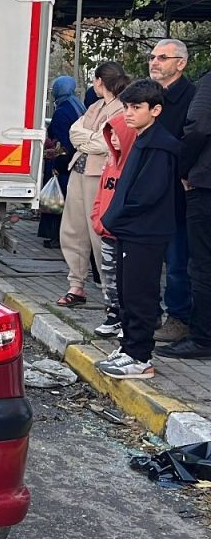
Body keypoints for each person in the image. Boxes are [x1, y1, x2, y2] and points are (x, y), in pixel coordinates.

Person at [96, 79, 181, 380]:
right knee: (126, 291)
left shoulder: (160, 146)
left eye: (136, 107)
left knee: (140, 294)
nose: (129, 114)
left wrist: (115, 218)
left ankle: (140, 357)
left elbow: (147, 194)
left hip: (145, 233)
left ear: (155, 110)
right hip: (130, 231)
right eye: (127, 107)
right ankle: (129, 346)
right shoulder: (141, 139)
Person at [57, 62, 128, 307]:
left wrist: (87, 140)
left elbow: (105, 143)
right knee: (73, 230)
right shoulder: (95, 106)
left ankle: (112, 294)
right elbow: (73, 132)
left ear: (99, 81)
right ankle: (76, 285)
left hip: (101, 176)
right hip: (79, 171)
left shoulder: (122, 108)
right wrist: (92, 138)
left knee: (99, 232)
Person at [159, 55, 211, 359]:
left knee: (201, 264)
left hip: (204, 186)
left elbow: (198, 126)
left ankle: (202, 337)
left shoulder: (205, 83)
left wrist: (184, 169)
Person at [147, 39, 198, 342]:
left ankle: (179, 317)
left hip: (176, 192)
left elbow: (191, 141)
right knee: (147, 258)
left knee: (178, 261)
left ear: (181, 63)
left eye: (163, 57)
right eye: (152, 56)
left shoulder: (191, 97)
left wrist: (183, 172)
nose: (155, 62)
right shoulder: (149, 94)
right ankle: (148, 311)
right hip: (149, 190)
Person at [90, 115, 137, 338]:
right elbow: (100, 195)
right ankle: (113, 314)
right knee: (108, 275)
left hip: (125, 235)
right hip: (106, 232)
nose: (114, 139)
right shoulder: (109, 165)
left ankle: (126, 317)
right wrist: (97, 219)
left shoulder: (133, 168)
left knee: (126, 278)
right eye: (111, 136)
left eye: (118, 135)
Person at [38, 76, 84, 248]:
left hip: (62, 162)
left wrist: (56, 164)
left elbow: (61, 141)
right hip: (75, 161)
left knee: (56, 202)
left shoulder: (61, 111)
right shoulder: (78, 106)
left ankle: (55, 236)